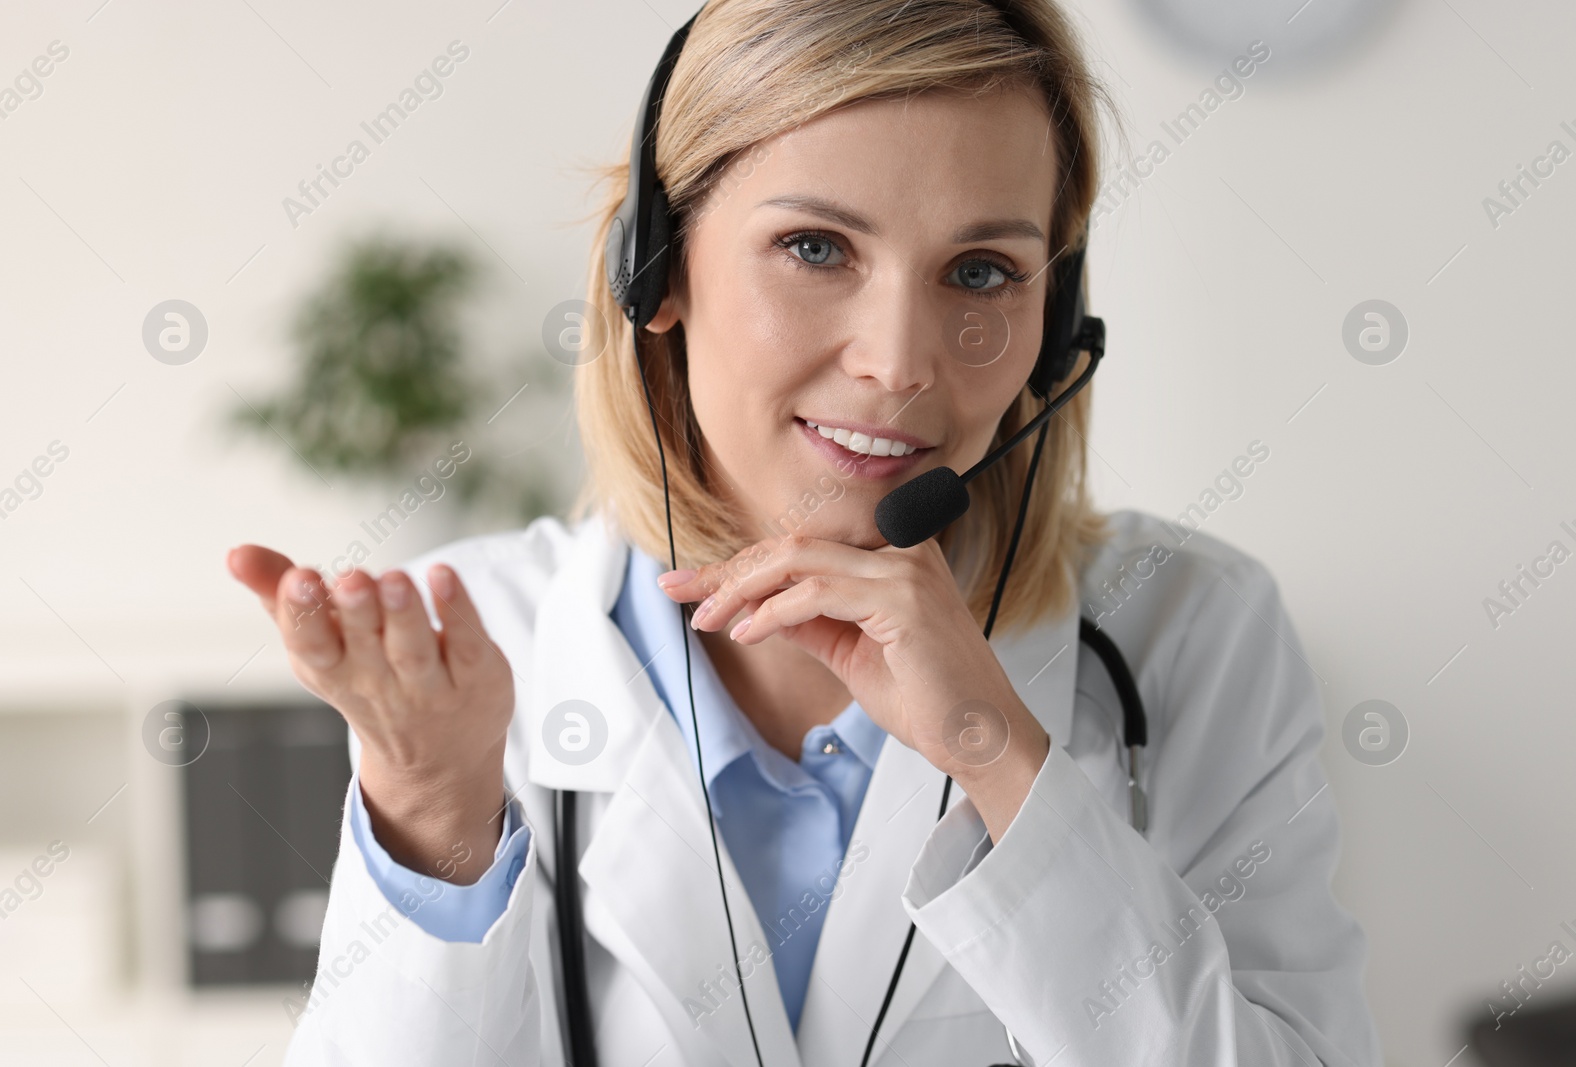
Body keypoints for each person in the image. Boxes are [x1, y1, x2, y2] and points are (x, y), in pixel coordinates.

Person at [226, 1, 1382, 1063]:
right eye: (817, 248)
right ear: (657, 267)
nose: (899, 360)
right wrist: (432, 814)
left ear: (1056, 320)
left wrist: (997, 749)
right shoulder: (474, 642)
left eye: (981, 272)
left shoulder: (1192, 631)